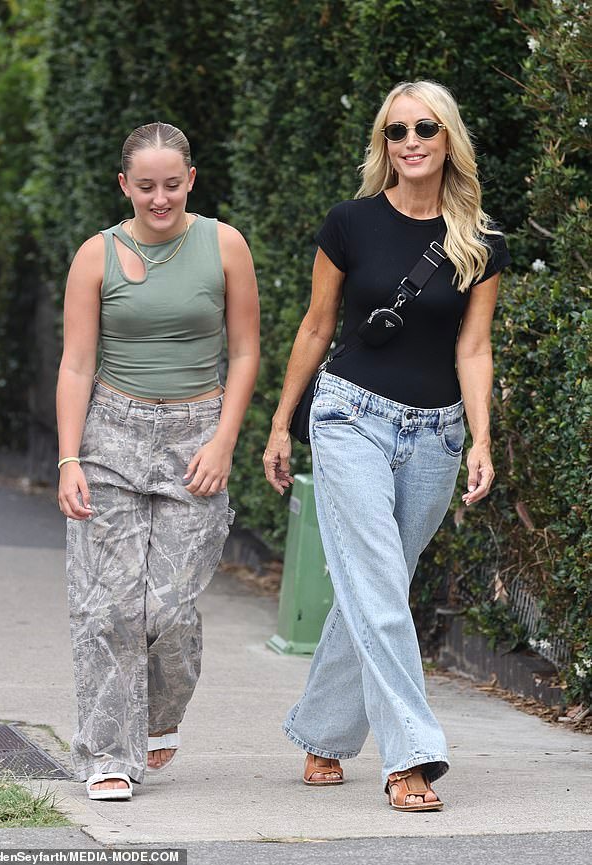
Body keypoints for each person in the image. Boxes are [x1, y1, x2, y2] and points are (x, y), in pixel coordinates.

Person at [263, 80, 511, 812]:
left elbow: (474, 348)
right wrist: (283, 421)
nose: (410, 141)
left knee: (377, 586)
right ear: (383, 143)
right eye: (396, 130)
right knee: (375, 580)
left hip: (435, 432)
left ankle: (322, 731)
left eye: (425, 128)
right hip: (349, 416)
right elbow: (315, 326)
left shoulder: (481, 242)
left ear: (447, 139)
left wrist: (480, 436)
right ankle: (410, 755)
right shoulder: (349, 223)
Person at [57, 121, 260, 800]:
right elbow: (77, 363)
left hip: (196, 432)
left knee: (167, 609)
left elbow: (244, 352)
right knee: (107, 607)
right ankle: (108, 756)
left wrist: (224, 441)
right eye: (145, 186)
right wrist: (67, 458)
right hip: (110, 431)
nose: (160, 197)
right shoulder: (96, 255)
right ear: (125, 185)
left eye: (172, 184)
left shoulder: (224, 245)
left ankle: (157, 716)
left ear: (191, 180)